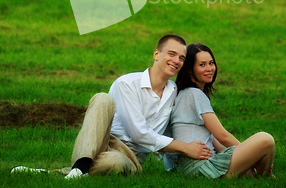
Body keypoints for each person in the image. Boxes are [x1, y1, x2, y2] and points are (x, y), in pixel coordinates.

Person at [62, 34, 213, 178]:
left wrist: (173, 166)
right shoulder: (127, 84)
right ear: (156, 54)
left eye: (181, 58)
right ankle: (80, 167)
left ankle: (73, 172)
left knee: (115, 163)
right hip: (104, 140)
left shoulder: (174, 93)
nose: (176, 60)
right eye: (171, 54)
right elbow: (138, 133)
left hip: (129, 157)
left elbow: (173, 129)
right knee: (102, 99)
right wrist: (185, 148)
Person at [170, 43, 275, 179]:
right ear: (190, 70)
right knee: (265, 139)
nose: (209, 69)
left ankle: (262, 175)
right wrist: (250, 153)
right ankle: (265, 174)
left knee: (249, 173)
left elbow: (213, 140)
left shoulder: (185, 94)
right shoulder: (194, 94)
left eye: (211, 63)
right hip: (200, 167)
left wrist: (249, 155)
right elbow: (222, 136)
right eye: (202, 65)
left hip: (192, 169)